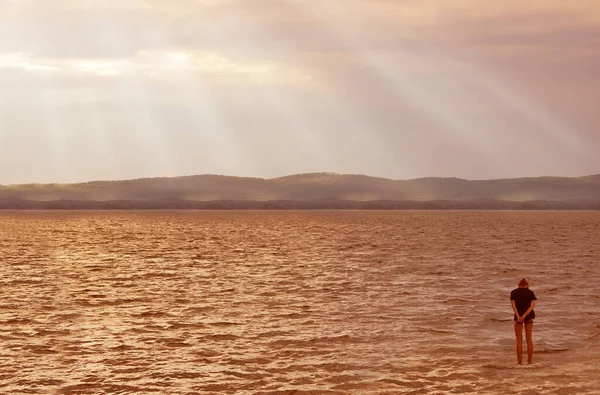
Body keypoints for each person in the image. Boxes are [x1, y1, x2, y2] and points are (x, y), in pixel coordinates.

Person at [510, 278, 537, 364]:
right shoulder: (530, 293)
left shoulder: (513, 292)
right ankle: (529, 361)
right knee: (529, 339)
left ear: (519, 285)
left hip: (518, 317)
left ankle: (519, 362)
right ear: (526, 285)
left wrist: (518, 316)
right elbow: (532, 306)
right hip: (528, 316)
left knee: (519, 340)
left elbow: (513, 306)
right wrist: (524, 316)